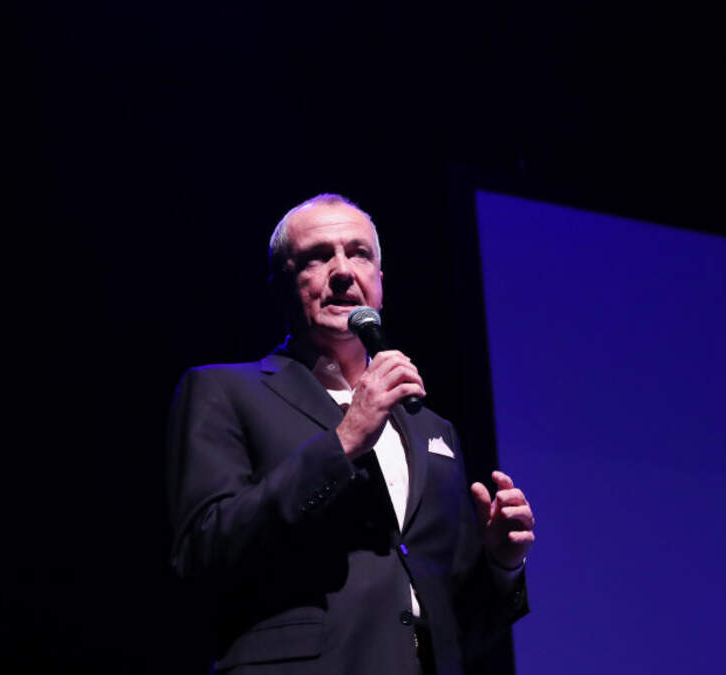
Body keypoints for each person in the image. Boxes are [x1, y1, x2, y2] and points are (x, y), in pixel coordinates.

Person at [166, 194, 534, 674]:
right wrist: (343, 442)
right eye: (318, 257)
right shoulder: (224, 391)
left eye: (359, 254)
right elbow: (203, 552)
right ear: (281, 285)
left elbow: (460, 624)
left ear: (379, 281)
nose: (342, 271)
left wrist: (502, 564)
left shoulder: (431, 427)